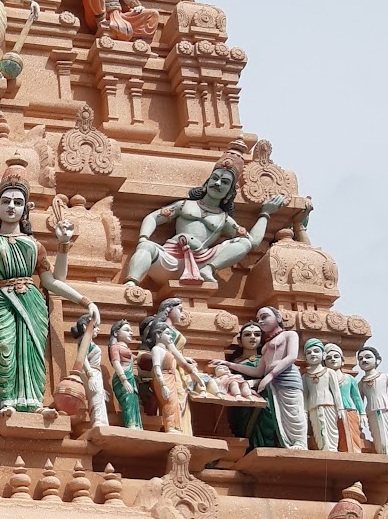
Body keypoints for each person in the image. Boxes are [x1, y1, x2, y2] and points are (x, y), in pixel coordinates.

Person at [0, 164, 94, 416]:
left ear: (25, 209)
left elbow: (53, 280)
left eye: (18, 202)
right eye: (6, 201)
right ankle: (8, 402)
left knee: (33, 352)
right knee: (5, 349)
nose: (11, 206)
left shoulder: (34, 245)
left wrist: (84, 299)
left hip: (32, 301)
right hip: (3, 300)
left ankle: (34, 403)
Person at [124, 153, 283, 292]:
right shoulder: (185, 205)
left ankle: (210, 269)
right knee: (146, 247)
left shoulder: (224, 219)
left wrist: (265, 213)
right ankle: (131, 284)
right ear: (206, 184)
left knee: (243, 243)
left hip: (201, 261)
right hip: (169, 258)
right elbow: (153, 217)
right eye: (215, 178)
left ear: (229, 193)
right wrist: (143, 238)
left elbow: (252, 242)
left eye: (225, 182)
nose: (218, 183)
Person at [226, 307, 307, 449]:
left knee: (293, 410)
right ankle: (288, 442)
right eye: (259, 319)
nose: (261, 321)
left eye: (264, 317)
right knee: (281, 413)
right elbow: (258, 371)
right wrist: (228, 364)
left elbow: (292, 357)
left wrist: (271, 375)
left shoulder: (290, 335)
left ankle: (300, 441)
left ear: (279, 318)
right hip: (272, 382)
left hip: (287, 376)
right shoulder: (267, 345)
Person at [355, 346, 388, 456]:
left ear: (377, 360)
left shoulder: (384, 377)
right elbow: (359, 401)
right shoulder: (361, 383)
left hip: (387, 409)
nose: (364, 360)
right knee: (378, 437)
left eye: (368, 357)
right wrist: (359, 415)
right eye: (360, 359)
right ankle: (383, 454)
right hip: (371, 412)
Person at [107, 318, 143, 429]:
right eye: (127, 330)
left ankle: (135, 424)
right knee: (128, 400)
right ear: (116, 333)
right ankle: (131, 425)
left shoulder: (126, 349)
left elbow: (136, 358)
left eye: (131, 330)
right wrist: (124, 380)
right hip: (122, 378)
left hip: (130, 378)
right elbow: (116, 362)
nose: (131, 333)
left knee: (133, 400)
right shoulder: (115, 347)